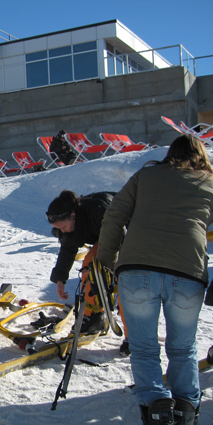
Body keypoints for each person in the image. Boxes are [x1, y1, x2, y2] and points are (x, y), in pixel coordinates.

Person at [97, 134, 213, 425]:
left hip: (136, 270)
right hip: (188, 272)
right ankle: (186, 405)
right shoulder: (209, 182)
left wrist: (110, 260)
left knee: (144, 346)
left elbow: (114, 216)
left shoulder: (146, 175)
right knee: (183, 347)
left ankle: (156, 404)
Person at [46, 190, 129, 354]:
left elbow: (120, 237)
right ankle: (94, 318)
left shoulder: (98, 210)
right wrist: (60, 279)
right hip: (104, 235)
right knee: (90, 269)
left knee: (125, 281)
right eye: (58, 229)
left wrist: (110, 276)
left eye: (63, 227)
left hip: (126, 233)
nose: (62, 231)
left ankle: (134, 336)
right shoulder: (71, 225)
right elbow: (67, 249)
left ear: (73, 215)